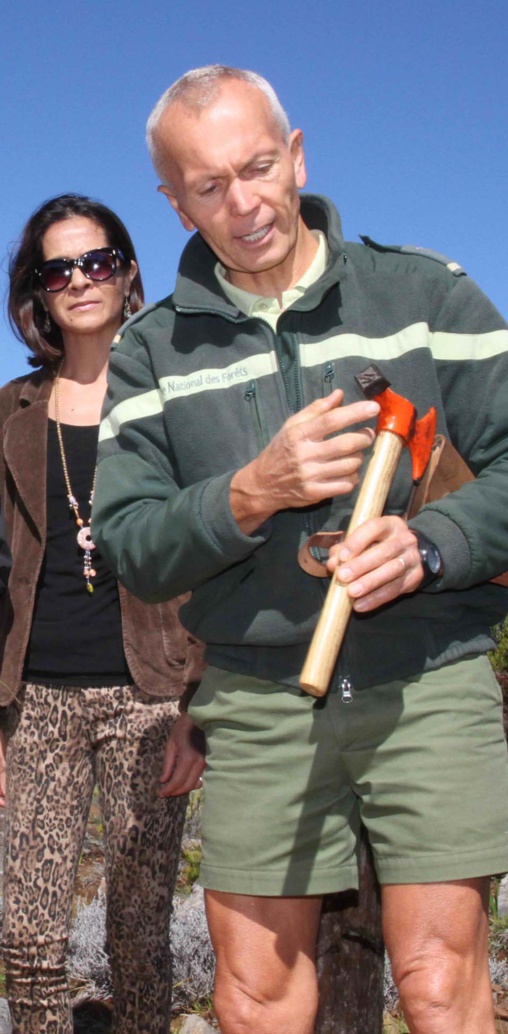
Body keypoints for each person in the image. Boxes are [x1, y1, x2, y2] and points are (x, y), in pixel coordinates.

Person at [92, 66, 508, 1034]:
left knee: (439, 984)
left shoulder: (423, 290)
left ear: (298, 153)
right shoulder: (148, 352)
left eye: (259, 167)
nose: (244, 203)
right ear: (171, 201)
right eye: (207, 186)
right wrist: (249, 491)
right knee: (253, 998)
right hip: (260, 696)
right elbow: (130, 546)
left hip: (428, 676)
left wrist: (434, 543)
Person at [0, 193, 205, 1034]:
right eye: (59, 268)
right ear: (38, 293)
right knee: (26, 940)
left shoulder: (176, 404)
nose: (80, 279)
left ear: (126, 272)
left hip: (150, 700)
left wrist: (201, 710)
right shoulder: (11, 413)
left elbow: (213, 559)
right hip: (36, 700)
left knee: (138, 938)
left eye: (97, 260)